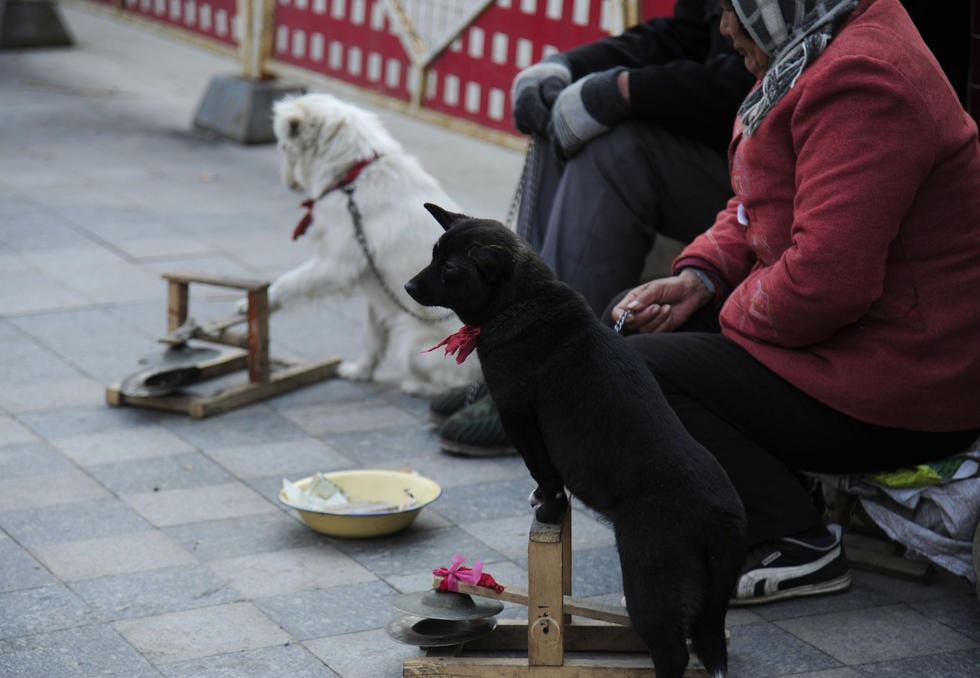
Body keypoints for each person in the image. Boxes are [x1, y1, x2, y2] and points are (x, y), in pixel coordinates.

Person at [602, 0, 980, 604]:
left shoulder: (865, 79)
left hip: (904, 387)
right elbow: (764, 203)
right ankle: (773, 494)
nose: (724, 29)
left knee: (633, 370)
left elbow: (824, 283)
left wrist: (721, 321)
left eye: (732, 9)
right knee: (633, 329)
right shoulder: (819, 44)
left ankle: (792, 538)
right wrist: (702, 277)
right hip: (856, 348)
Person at [432, 0, 756, 455]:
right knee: (557, 118)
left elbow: (756, 78)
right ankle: (518, 354)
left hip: (772, 173)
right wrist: (569, 69)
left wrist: (623, 91)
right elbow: (684, 36)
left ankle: (552, 386)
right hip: (723, 153)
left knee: (615, 152)